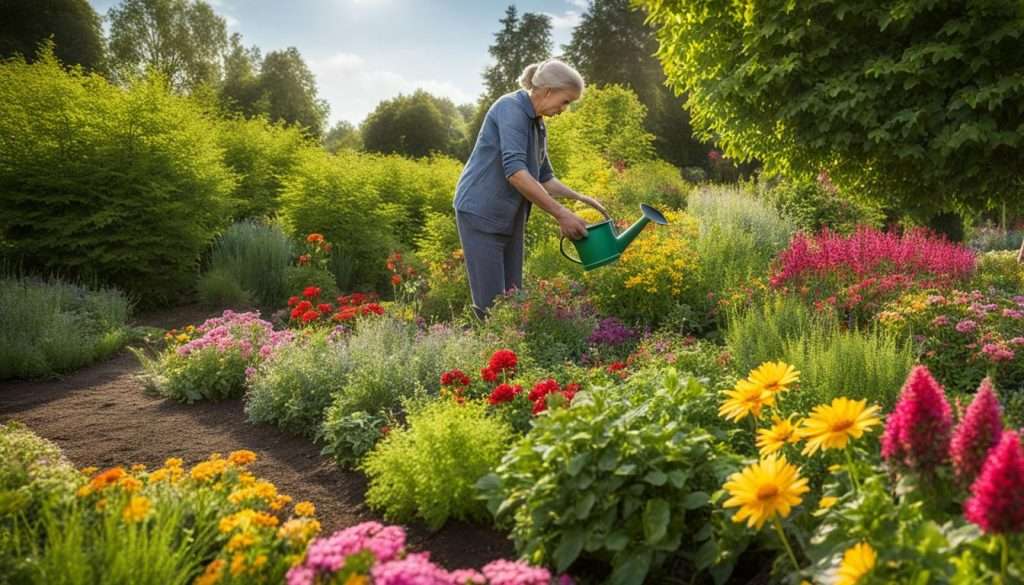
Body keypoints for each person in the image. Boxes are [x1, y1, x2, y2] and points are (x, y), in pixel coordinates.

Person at [453, 59, 606, 319]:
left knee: (513, 297)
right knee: (491, 305)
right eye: (565, 101)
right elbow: (516, 172)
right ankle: (490, 354)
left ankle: (510, 354)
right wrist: (561, 214)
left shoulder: (537, 122)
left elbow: (544, 177)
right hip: (481, 212)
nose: (564, 108)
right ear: (548, 91)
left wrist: (579, 197)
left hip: (509, 216)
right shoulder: (510, 108)